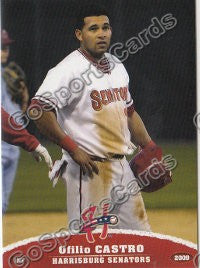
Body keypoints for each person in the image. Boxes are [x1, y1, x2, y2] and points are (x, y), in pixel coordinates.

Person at [30, 5, 153, 231]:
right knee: (88, 245)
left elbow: (130, 112)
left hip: (122, 167)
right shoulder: (68, 70)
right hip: (89, 171)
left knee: (140, 240)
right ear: (79, 34)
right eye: (93, 28)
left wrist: (150, 147)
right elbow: (38, 109)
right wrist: (72, 148)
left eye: (105, 27)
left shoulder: (117, 66)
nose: (101, 33)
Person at [1, 29, 52, 214]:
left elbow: (13, 115)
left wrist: (23, 101)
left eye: (6, 46)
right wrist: (30, 142)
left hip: (11, 146)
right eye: (1, 47)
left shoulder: (5, 76)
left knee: (3, 204)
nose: (4, 51)